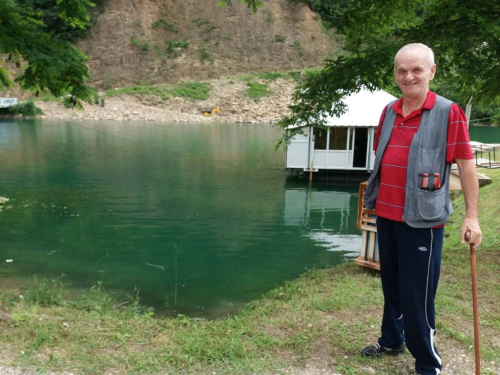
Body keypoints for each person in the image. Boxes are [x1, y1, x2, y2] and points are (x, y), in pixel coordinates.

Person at [362, 43, 482, 375]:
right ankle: (391, 340)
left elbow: (466, 165)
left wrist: (471, 216)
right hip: (386, 214)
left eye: (416, 69)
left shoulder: (447, 111)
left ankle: (428, 364)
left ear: (431, 71)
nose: (408, 76)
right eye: (402, 70)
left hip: (422, 220)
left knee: (417, 295)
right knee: (392, 286)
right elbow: (384, 159)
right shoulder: (388, 110)